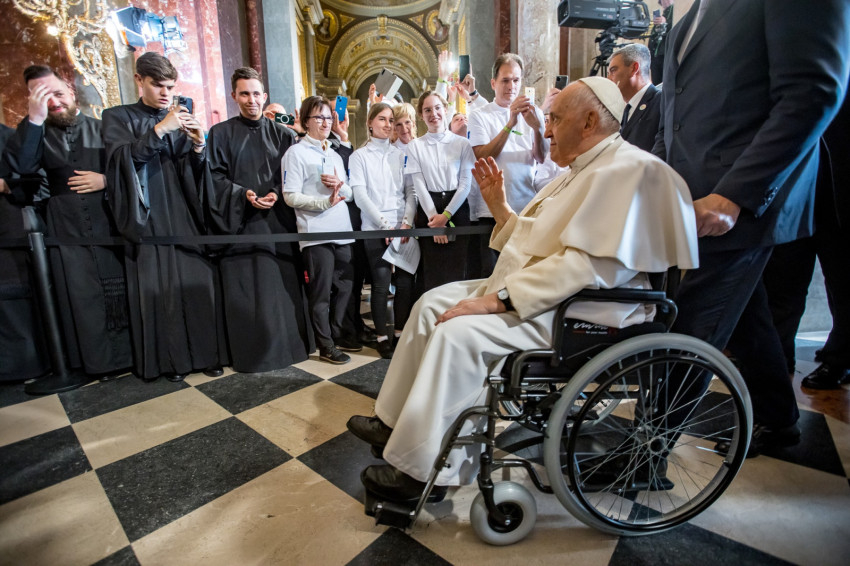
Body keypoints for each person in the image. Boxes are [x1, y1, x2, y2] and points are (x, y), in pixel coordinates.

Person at [348, 78, 698, 503]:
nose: (546, 130)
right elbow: (538, 240)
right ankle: (393, 422)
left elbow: (586, 265)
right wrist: (501, 211)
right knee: (429, 303)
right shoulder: (581, 169)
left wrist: (498, 300)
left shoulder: (629, 171)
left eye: (554, 119)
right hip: (548, 293)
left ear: (589, 121)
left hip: (581, 310)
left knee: (458, 334)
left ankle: (424, 472)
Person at [652, 0, 850, 455]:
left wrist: (736, 195)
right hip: (695, 195)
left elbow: (814, 90)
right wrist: (660, 181)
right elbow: (673, 114)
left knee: (694, 318)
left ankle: (643, 450)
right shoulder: (688, 19)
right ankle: (780, 421)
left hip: (746, 197)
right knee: (748, 317)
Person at [103, 52, 227, 382]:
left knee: (196, 283)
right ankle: (170, 362)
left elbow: (194, 173)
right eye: (157, 85)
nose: (165, 93)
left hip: (184, 213)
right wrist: (160, 130)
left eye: (170, 87)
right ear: (138, 81)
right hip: (148, 216)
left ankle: (206, 354)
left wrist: (200, 147)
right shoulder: (116, 116)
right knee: (162, 292)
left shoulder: (179, 113)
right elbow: (120, 164)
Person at [4, 65, 132, 381]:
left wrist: (106, 179)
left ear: (71, 93)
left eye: (58, 93)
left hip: (107, 221)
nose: (55, 102)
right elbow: (22, 172)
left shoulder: (103, 127)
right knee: (80, 297)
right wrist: (34, 120)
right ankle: (95, 364)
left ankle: (128, 358)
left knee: (117, 292)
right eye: (44, 98)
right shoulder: (32, 133)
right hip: (65, 228)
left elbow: (131, 168)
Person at [204, 67, 313, 373]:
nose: (251, 100)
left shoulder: (285, 135)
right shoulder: (220, 134)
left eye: (256, 94)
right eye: (244, 94)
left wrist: (277, 193)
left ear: (265, 97)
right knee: (248, 289)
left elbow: (296, 176)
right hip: (240, 224)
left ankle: (290, 348)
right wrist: (244, 194)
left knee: (282, 286)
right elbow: (214, 178)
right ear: (234, 96)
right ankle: (251, 354)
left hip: (278, 222)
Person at [763, 77, 850, 390]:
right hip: (794, 192)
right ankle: (778, 357)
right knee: (783, 281)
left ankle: (840, 359)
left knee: (841, 284)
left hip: (836, 193)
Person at [282, 96, 356, 364]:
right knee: (321, 293)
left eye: (328, 117)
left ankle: (337, 333)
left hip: (342, 230)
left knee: (346, 287)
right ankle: (325, 345)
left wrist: (339, 185)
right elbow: (290, 196)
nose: (325, 122)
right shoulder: (295, 153)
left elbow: (348, 192)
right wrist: (323, 202)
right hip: (315, 234)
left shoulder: (334, 153)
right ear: (306, 122)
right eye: (319, 118)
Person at [468, 53, 547, 276]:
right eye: (505, 80)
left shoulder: (535, 113)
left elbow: (541, 158)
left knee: (524, 274)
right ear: (493, 83)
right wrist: (510, 123)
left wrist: (537, 129)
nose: (511, 86)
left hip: (526, 206)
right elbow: (482, 157)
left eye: (516, 80)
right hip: (491, 211)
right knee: (494, 276)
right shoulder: (479, 116)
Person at [349, 103, 417, 359]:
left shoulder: (401, 155)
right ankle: (381, 337)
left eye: (391, 120)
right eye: (382, 119)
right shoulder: (359, 157)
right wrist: (384, 225)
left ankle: (399, 332)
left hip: (402, 226)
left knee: (405, 282)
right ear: (369, 122)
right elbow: (360, 195)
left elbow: (410, 192)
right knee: (380, 284)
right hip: (375, 227)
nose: (388, 125)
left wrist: (405, 223)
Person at [405, 90, 475, 294]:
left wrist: (446, 216)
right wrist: (434, 219)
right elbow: (418, 185)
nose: (433, 113)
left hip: (457, 207)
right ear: (421, 115)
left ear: (445, 109)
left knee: (457, 269)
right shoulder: (415, 146)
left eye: (437, 108)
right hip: (429, 210)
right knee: (433, 271)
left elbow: (465, 184)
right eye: (427, 110)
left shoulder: (462, 143)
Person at [0, 124, 50, 381]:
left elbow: (35, 182)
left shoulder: (11, 138)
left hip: (9, 230)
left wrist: (6, 185)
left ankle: (23, 367)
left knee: (14, 301)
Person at [607, 44, 661, 153]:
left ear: (634, 68)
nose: (608, 78)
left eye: (613, 70)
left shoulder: (660, 101)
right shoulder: (624, 108)